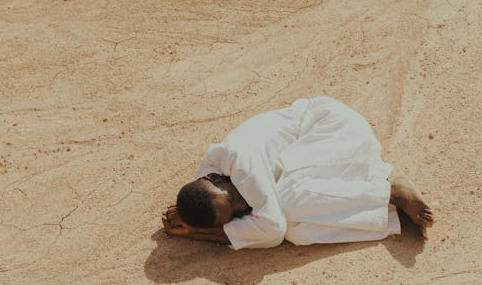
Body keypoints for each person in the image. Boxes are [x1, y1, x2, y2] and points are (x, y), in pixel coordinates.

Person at [162, 96, 433, 249]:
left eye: (232, 198)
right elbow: (276, 230)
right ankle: (387, 211)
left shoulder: (240, 160)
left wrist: (205, 234)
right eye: (234, 212)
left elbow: (272, 229)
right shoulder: (208, 187)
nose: (242, 204)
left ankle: (391, 191)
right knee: (298, 233)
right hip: (316, 159)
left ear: (214, 178)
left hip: (334, 132)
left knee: (288, 203)